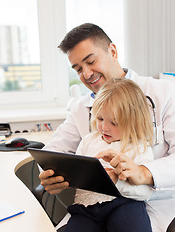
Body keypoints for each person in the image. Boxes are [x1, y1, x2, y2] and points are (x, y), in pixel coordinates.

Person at [39, 23, 175, 231]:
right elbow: (53, 153)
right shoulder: (80, 108)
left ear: (112, 51)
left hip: (162, 205)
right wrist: (51, 175)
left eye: (91, 61)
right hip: (95, 208)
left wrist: (144, 172)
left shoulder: (165, 93)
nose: (86, 73)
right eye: (78, 69)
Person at [66, 79, 154, 232]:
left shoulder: (140, 148)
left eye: (114, 123)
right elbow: (77, 172)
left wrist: (116, 183)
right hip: (87, 208)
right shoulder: (88, 141)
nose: (104, 127)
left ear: (133, 122)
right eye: (100, 119)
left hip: (125, 204)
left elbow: (146, 192)